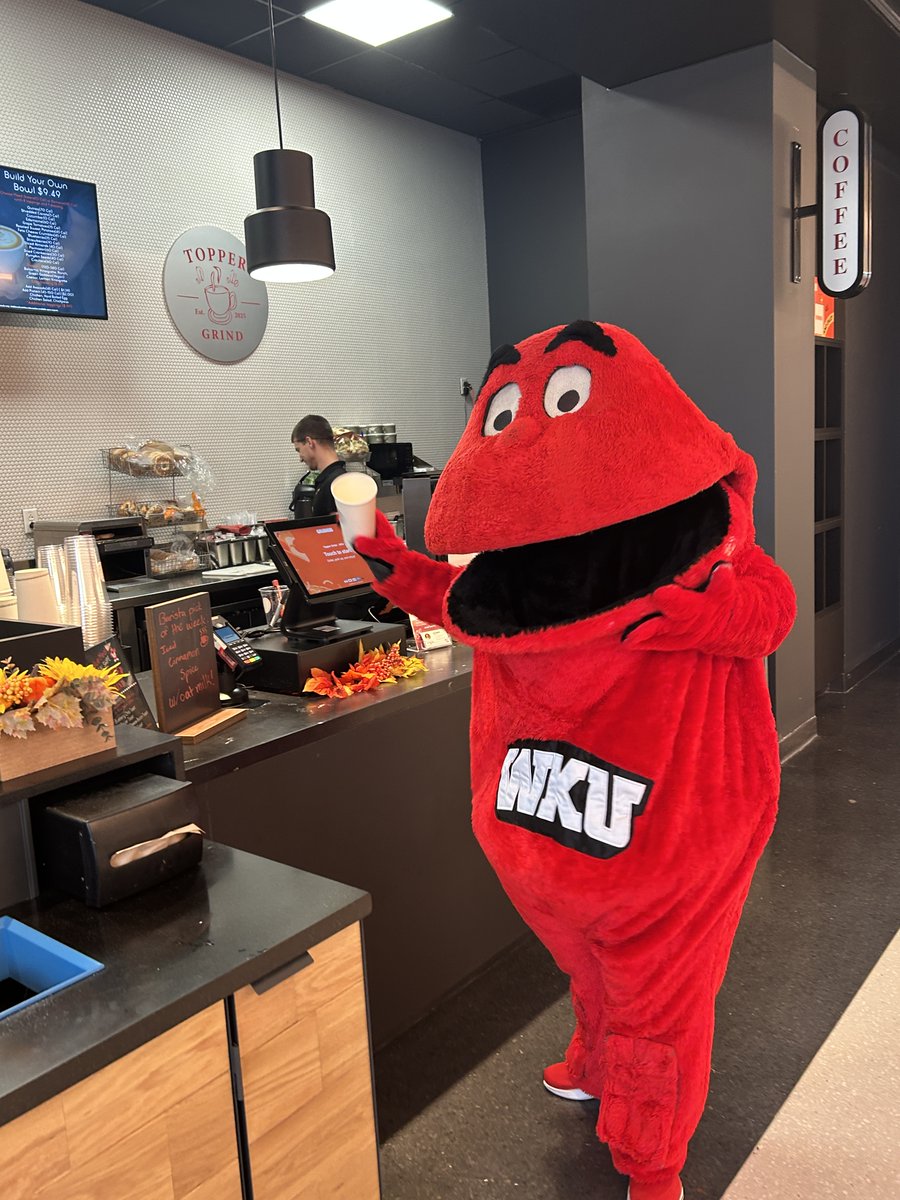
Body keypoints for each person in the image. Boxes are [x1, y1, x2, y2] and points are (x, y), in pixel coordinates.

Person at [290, 415, 347, 518]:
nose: (300, 459)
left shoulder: (334, 484)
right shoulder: (336, 479)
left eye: (299, 450)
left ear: (309, 442)